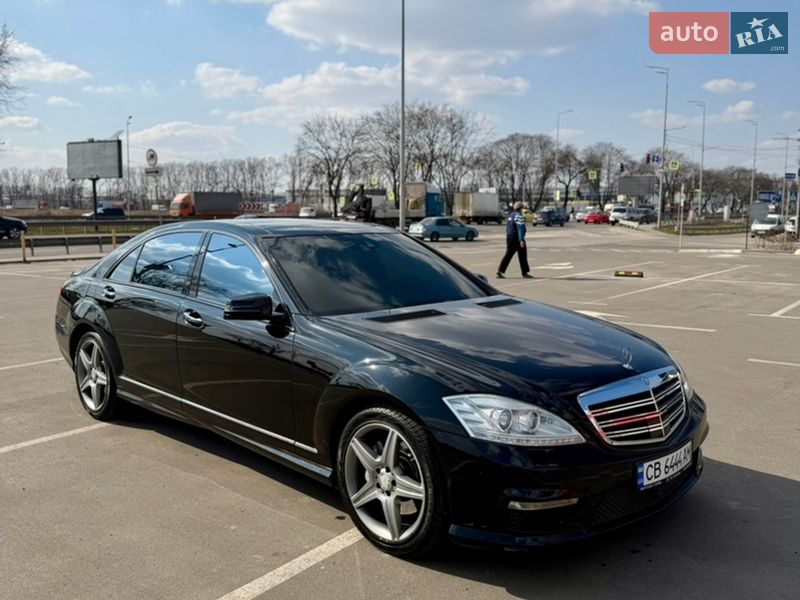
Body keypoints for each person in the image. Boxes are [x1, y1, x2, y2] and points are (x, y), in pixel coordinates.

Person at [496, 201, 532, 279]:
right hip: (517, 237)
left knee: (508, 254)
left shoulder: (511, 215)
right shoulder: (519, 216)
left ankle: (500, 271)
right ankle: (524, 272)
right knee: (522, 255)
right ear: (521, 208)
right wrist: (521, 240)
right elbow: (520, 228)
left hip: (510, 237)